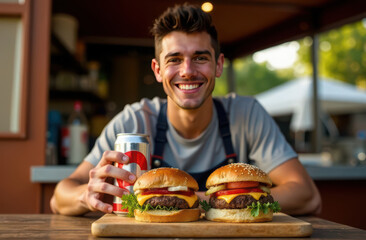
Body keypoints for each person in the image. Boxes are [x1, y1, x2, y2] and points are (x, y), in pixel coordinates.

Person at [50, 4, 321, 216]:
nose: (188, 71)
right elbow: (60, 195)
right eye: (175, 59)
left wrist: (193, 200)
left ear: (218, 65)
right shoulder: (134, 121)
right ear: (158, 70)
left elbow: (307, 195)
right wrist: (86, 195)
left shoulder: (246, 114)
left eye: (200, 58)